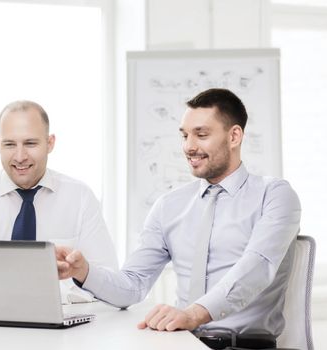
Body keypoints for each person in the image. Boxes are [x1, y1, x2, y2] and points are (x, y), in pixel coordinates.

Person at [57, 88, 301, 349]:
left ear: (234, 136)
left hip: (242, 345)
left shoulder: (274, 195)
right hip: (180, 342)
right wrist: (83, 272)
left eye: (201, 135)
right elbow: (132, 286)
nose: (189, 146)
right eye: (185, 135)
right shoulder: (169, 206)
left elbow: (257, 267)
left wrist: (192, 314)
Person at [0, 100, 118, 302]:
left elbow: (109, 281)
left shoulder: (80, 198)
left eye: (30, 143)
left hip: (65, 327)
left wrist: (80, 274)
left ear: (50, 143)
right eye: (9, 144)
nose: (20, 156)